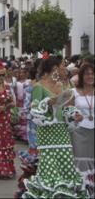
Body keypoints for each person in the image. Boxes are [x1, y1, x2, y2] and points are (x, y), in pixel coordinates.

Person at [23, 56, 88, 198]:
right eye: (63, 66)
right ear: (55, 69)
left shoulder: (65, 86)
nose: (66, 69)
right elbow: (34, 112)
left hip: (63, 134)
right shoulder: (38, 87)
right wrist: (49, 103)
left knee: (66, 168)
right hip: (47, 136)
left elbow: (66, 110)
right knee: (49, 172)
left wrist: (74, 115)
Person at [70, 63, 94, 197]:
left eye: (92, 73)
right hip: (79, 132)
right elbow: (66, 109)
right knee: (81, 162)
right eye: (87, 74)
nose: (90, 76)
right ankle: (82, 192)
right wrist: (73, 115)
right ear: (81, 76)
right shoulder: (74, 92)